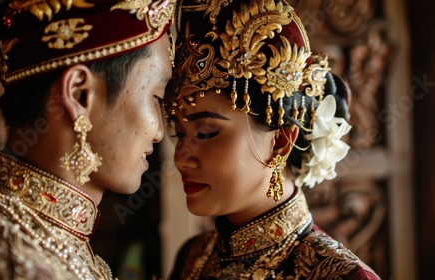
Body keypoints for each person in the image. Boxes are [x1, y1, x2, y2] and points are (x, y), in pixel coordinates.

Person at [0, 0, 176, 279]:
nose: (160, 131)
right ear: (79, 94)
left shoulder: (42, 240)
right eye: (156, 97)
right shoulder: (15, 264)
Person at [163, 0, 381, 279]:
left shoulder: (342, 276)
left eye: (205, 133)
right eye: (179, 134)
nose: (180, 158)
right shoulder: (193, 258)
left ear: (280, 142)